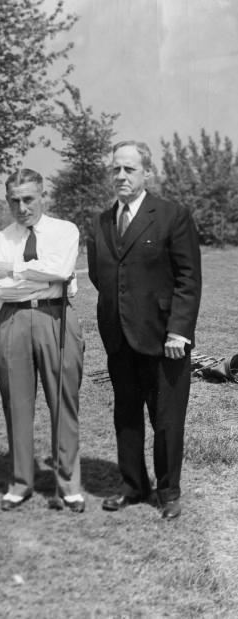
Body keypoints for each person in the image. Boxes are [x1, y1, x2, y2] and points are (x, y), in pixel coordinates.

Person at [88, 140, 201, 519]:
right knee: (126, 415)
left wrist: (178, 332)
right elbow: (99, 275)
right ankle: (133, 485)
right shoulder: (102, 221)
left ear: (147, 173)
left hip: (164, 339)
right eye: (116, 169)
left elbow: (188, 278)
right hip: (119, 337)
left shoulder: (172, 215)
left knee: (167, 420)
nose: (121, 176)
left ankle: (168, 491)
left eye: (129, 169)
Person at [0, 169, 85, 513]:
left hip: (56, 317)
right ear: (7, 200)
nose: (22, 206)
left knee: (63, 400)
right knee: (16, 403)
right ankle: (20, 481)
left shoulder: (65, 230)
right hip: (12, 320)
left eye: (28, 198)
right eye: (15, 200)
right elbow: (0, 290)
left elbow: (61, 270)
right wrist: (41, 275)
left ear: (43, 195)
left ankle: (68, 484)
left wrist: (14, 271)